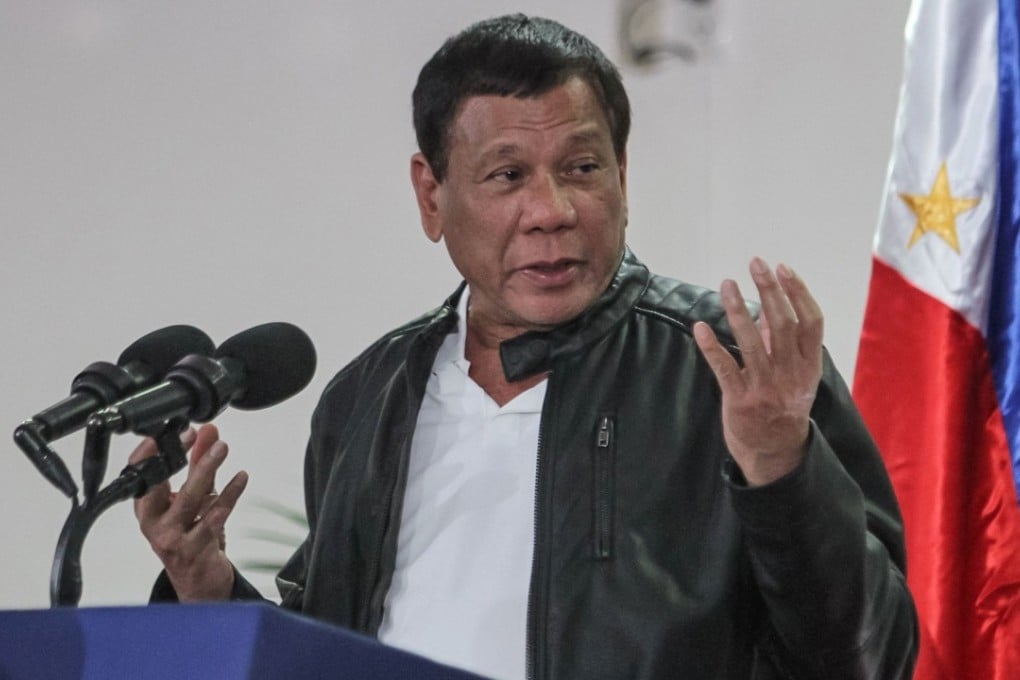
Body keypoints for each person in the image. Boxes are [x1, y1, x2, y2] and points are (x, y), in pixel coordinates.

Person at [130, 14, 918, 680]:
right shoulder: (366, 398)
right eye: (507, 176)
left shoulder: (729, 369)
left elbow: (870, 655)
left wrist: (781, 466)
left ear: (622, 175)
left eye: (580, 168)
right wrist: (208, 591)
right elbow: (323, 653)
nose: (552, 210)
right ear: (431, 195)